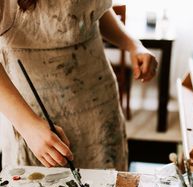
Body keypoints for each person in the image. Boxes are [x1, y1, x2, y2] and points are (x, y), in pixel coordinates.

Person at [0, 0, 157, 171]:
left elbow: (90, 12)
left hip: (98, 97)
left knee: (107, 184)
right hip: (29, 107)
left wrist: (133, 45)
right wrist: (28, 126)